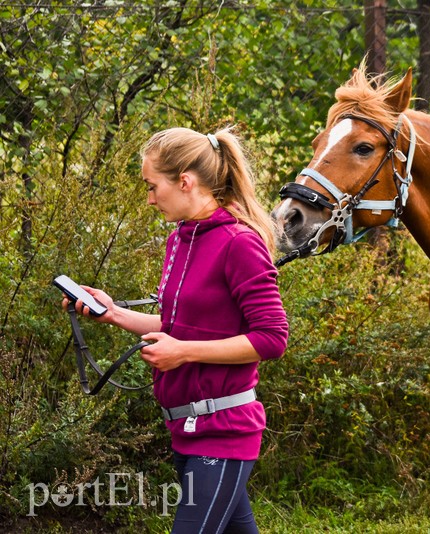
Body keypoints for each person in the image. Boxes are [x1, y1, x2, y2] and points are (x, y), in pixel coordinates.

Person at [62, 126, 289, 533]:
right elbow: (174, 324)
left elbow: (271, 338)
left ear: (185, 181)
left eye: (152, 187)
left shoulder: (240, 243)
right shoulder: (180, 240)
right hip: (185, 427)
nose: (149, 199)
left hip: (224, 430)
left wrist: (184, 351)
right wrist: (111, 312)